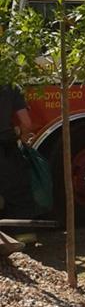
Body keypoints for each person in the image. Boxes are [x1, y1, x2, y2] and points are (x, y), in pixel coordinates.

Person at [0, 84, 36, 218]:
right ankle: (24, 234)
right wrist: (20, 133)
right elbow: (26, 123)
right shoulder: (11, 86)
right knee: (19, 194)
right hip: (7, 146)